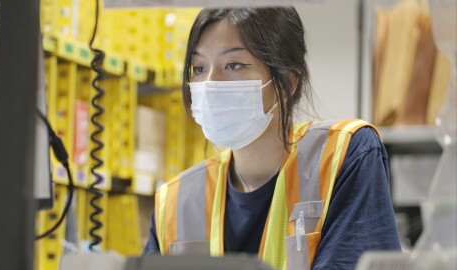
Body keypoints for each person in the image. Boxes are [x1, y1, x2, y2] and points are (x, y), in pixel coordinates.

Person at [143, 7, 401, 270]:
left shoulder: (345, 155)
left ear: (288, 82)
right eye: (199, 68)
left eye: (233, 65)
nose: (210, 84)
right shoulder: (176, 201)